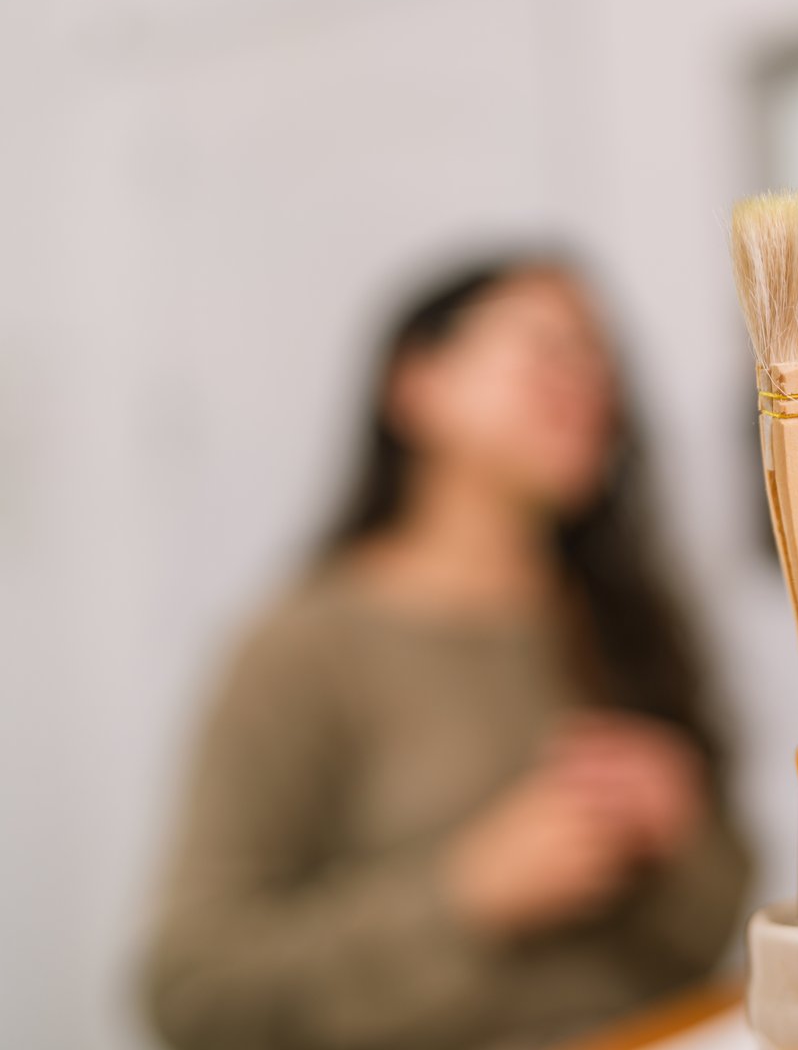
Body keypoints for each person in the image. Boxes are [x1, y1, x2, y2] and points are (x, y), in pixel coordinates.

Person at [141, 255, 750, 1050]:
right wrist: (467, 896)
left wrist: (681, 836)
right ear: (416, 386)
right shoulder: (299, 650)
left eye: (601, 359)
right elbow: (194, 993)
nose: (592, 383)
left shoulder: (632, 619)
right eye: (546, 349)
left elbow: (712, 932)